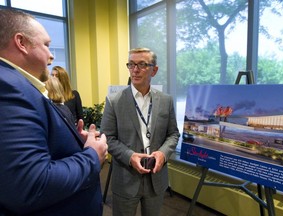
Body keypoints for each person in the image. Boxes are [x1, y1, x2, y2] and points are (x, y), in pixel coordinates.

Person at [0, 9, 107, 216]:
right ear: (21, 43)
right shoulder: (8, 87)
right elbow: (31, 185)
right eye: (47, 45)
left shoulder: (19, 85)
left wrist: (75, 142)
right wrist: (92, 155)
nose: (51, 55)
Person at [101, 48, 180, 216]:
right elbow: (107, 138)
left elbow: (173, 134)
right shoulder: (114, 101)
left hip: (156, 178)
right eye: (131, 64)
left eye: (142, 65)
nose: (135, 70)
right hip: (126, 177)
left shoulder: (166, 101)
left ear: (154, 70)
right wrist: (130, 156)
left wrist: (163, 154)